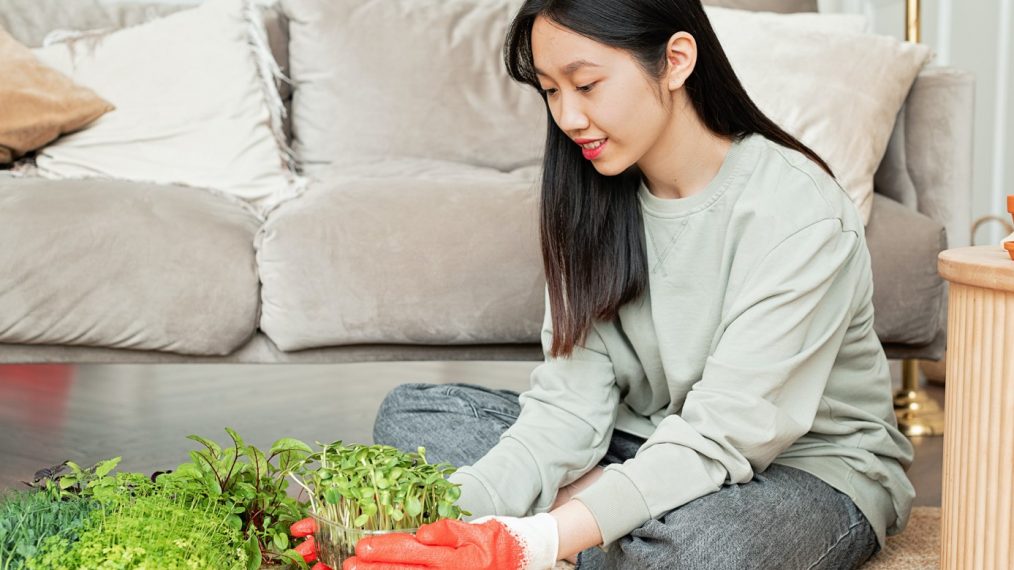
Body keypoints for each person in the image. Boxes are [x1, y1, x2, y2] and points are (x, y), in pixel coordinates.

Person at [339, 0, 916, 568]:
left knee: (699, 553)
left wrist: (530, 541)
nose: (567, 116)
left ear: (676, 60)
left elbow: (728, 432)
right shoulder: (590, 196)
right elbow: (568, 408)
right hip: (643, 442)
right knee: (413, 419)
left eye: (586, 85)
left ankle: (587, 524)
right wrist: (428, 521)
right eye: (550, 90)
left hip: (804, 470)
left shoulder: (798, 209)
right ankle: (613, 521)